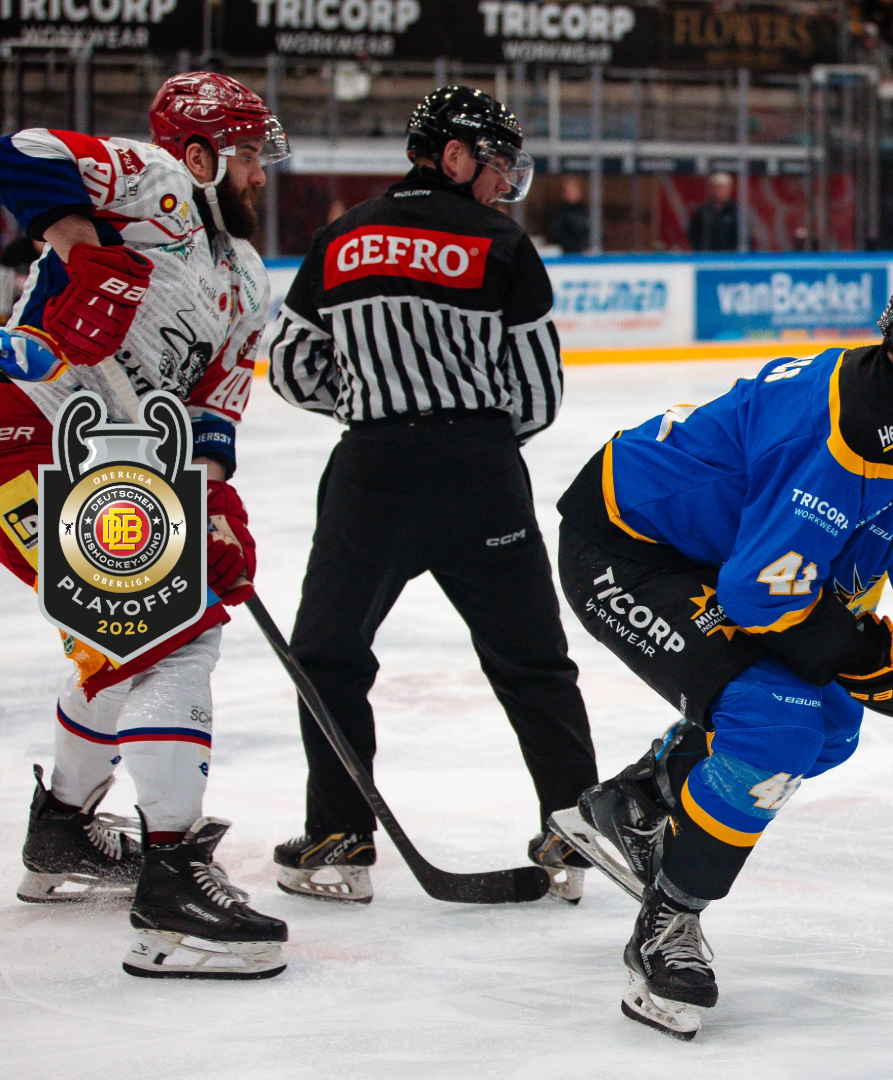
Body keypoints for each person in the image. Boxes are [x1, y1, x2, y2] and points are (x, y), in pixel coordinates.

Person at [550, 255, 893, 1040]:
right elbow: (757, 595)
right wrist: (860, 646)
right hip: (628, 549)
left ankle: (642, 801)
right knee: (777, 721)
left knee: (835, 721)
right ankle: (668, 920)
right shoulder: (840, 426)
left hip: (719, 558)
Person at [264, 86, 597, 905]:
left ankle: (338, 835)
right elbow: (538, 393)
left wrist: (373, 407)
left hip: (372, 476)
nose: (501, 183)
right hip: (480, 474)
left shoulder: (340, 237)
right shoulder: (501, 242)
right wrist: (471, 437)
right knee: (532, 663)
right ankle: (577, 831)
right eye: (494, 165)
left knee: (327, 657)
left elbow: (290, 367)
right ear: (452, 155)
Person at [0, 71, 289, 976]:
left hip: (126, 471)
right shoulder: (148, 179)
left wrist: (215, 512)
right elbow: (25, 152)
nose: (259, 176)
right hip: (32, 437)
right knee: (169, 639)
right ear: (200, 154)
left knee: (120, 641)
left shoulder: (246, 280)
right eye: (246, 156)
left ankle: (63, 837)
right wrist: (84, 251)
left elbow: (213, 417)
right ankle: (169, 885)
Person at [687, 172, 739, 252]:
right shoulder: (703, 211)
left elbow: (745, 238)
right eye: (717, 188)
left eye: (723, 188)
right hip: (707, 258)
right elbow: (693, 234)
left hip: (730, 258)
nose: (720, 191)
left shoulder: (737, 212)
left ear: (729, 189)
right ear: (712, 189)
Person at [547, 174, 592, 254]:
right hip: (567, 257)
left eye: (574, 190)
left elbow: (595, 234)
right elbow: (557, 237)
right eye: (568, 191)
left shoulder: (588, 212)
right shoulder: (559, 214)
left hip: (587, 256)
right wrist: (580, 249)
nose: (571, 194)